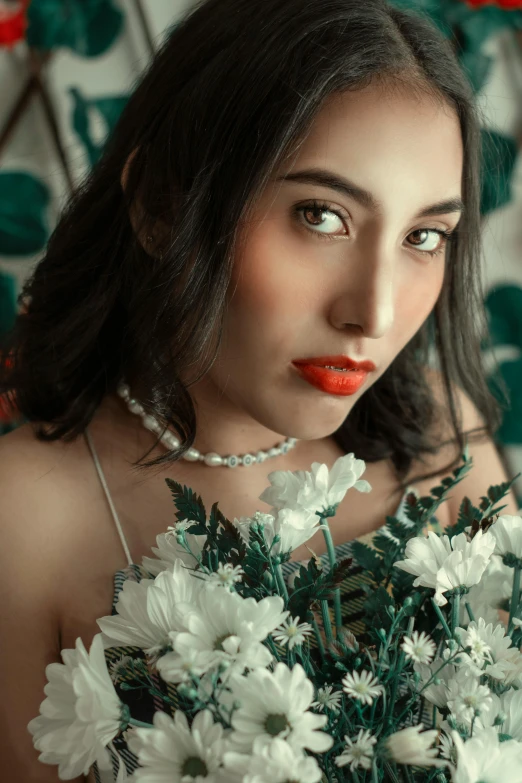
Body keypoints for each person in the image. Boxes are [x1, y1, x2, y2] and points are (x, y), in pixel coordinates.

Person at [0, 0, 519, 780]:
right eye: (321, 216)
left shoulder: (445, 441)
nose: (372, 313)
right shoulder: (24, 520)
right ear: (161, 206)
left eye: (424, 237)